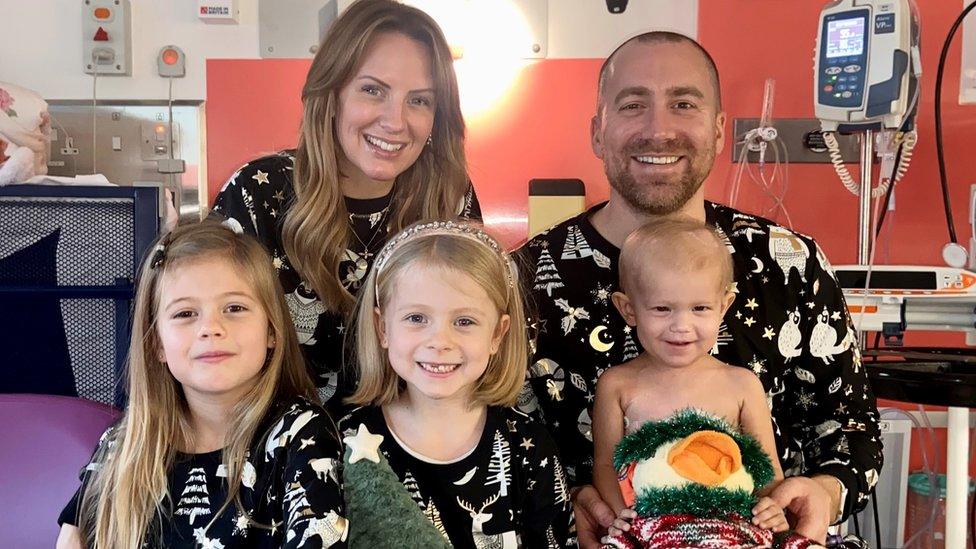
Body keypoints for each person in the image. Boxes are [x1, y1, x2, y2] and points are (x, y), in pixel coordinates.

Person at [518, 31, 883, 546]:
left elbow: (852, 432)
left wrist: (822, 491)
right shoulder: (527, 279)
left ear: (716, 131)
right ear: (598, 133)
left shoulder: (789, 266)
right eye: (633, 104)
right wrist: (567, 498)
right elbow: (488, 440)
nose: (658, 129)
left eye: (682, 103)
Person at [212, 0, 480, 410]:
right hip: (278, 452)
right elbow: (213, 340)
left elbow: (473, 338)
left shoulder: (450, 196)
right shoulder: (257, 193)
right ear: (332, 94)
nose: (396, 121)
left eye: (420, 101)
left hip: (409, 449)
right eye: (373, 90)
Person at [55, 220, 347, 548]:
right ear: (157, 345)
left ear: (271, 330)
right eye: (185, 314)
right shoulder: (124, 441)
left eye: (234, 308)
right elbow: (73, 535)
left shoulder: (300, 433)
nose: (210, 328)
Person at [339, 220, 575, 548]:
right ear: (382, 328)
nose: (440, 341)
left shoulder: (530, 448)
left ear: (497, 334)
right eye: (416, 318)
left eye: (464, 321)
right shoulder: (343, 440)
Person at [592, 218, 786, 536]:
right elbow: (604, 466)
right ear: (628, 309)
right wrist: (622, 517)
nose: (681, 326)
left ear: (724, 306)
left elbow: (767, 470)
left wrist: (771, 508)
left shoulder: (742, 385)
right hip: (650, 532)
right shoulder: (617, 385)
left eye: (699, 308)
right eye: (662, 309)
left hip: (728, 532)